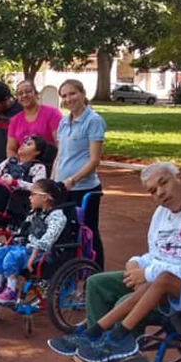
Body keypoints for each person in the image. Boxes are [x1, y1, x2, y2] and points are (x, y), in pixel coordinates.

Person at [48, 162, 181, 362]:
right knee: (97, 284)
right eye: (153, 191)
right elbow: (157, 255)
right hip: (159, 281)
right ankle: (96, 350)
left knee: (131, 296)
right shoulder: (161, 212)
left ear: (180, 178)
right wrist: (137, 263)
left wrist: (148, 273)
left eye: (164, 183)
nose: (160, 193)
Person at [0, 179, 70, 306]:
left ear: (45, 198)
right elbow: (23, 230)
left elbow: (47, 240)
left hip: (43, 253)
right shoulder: (35, 212)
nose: (29, 197)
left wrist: (33, 256)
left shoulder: (57, 216)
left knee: (12, 257)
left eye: (33, 194)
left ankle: (11, 292)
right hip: (27, 248)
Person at [52, 79, 106, 269]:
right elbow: (60, 155)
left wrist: (72, 180)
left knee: (88, 233)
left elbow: (94, 160)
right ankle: (69, 273)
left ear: (83, 94)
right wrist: (52, 181)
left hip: (84, 189)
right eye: (64, 96)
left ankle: (96, 273)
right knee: (64, 233)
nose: (68, 99)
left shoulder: (93, 121)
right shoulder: (63, 122)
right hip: (62, 187)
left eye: (72, 93)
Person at [6, 80, 61, 158]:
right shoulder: (15, 120)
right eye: (20, 93)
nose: (24, 95)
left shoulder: (52, 113)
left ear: (37, 94)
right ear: (17, 99)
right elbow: (11, 149)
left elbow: (60, 144)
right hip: (23, 163)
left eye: (28, 91)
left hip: (49, 162)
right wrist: (16, 164)